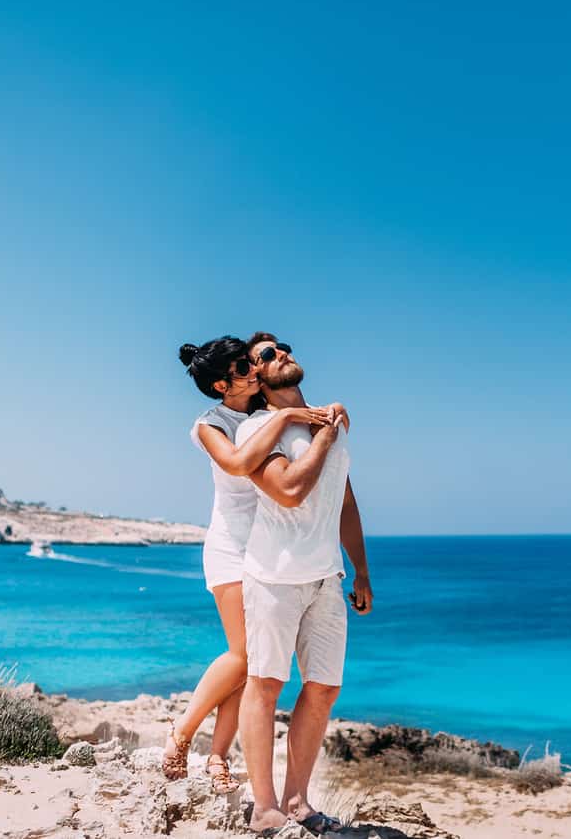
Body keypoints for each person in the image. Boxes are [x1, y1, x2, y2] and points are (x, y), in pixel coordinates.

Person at [171, 336, 347, 794]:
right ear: (220, 384)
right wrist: (289, 415)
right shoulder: (212, 424)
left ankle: (216, 756)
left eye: (252, 363)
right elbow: (237, 465)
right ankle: (184, 734)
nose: (252, 370)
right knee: (246, 657)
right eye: (243, 367)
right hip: (233, 547)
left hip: (268, 547)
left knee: (255, 668)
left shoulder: (258, 415)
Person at [233, 332, 373, 835]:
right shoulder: (257, 430)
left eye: (283, 347)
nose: (282, 355)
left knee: (324, 689)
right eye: (266, 355)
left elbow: (346, 502)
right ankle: (264, 807)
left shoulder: (328, 420)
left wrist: (360, 569)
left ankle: (297, 801)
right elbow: (290, 491)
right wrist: (325, 436)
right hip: (272, 578)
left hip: (326, 580)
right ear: (255, 376)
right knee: (266, 684)